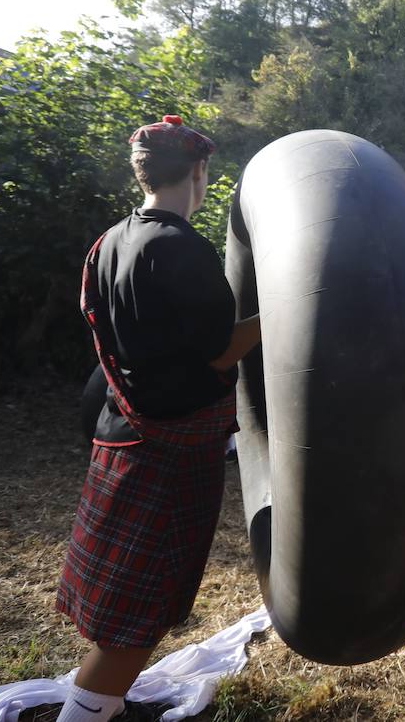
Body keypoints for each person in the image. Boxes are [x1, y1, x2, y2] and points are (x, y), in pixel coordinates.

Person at [56, 115, 261, 722]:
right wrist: (283, 307)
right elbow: (221, 350)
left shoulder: (109, 241)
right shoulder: (181, 249)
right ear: (199, 173)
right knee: (134, 616)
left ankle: (103, 705)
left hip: (122, 430)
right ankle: (87, 711)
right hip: (169, 449)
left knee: (121, 600)